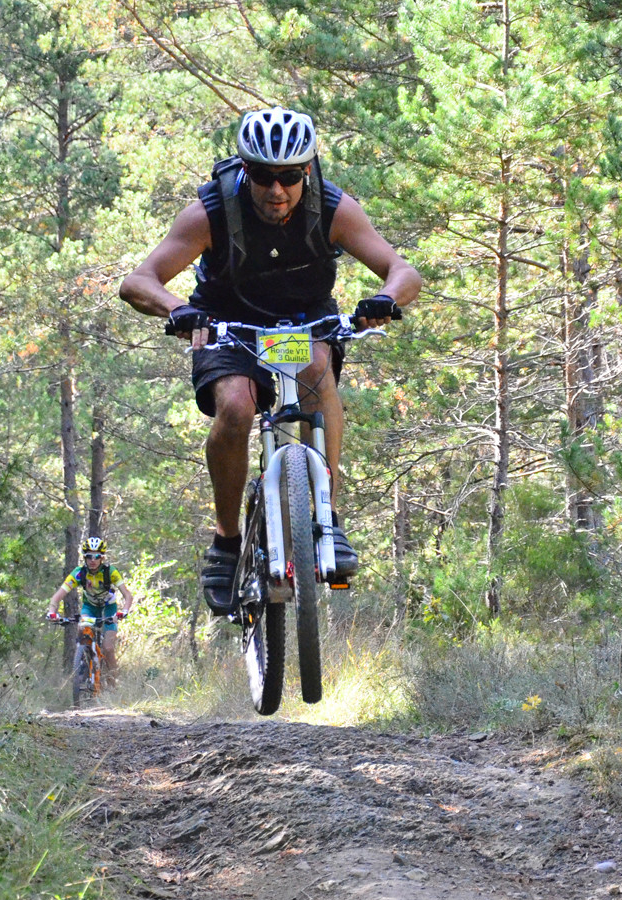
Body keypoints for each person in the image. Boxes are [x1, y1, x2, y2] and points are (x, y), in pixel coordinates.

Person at [119, 106, 422, 615]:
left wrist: (386, 299)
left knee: (314, 369)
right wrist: (181, 311)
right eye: (262, 176)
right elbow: (138, 281)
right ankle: (226, 540)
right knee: (236, 407)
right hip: (228, 324)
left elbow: (401, 269)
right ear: (245, 170)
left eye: (289, 177)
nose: (275, 191)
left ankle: (326, 516)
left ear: (307, 170)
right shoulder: (212, 210)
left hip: (303, 321)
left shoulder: (332, 207)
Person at [46, 537, 134, 683]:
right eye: (89, 556)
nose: (93, 560)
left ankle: (113, 685)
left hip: (109, 608)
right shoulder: (79, 573)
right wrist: (52, 612)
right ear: (84, 557)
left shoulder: (110, 572)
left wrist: (123, 611)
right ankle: (84, 664)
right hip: (90, 607)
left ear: (102, 558)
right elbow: (56, 597)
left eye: (97, 556)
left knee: (108, 648)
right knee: (83, 629)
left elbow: (128, 595)